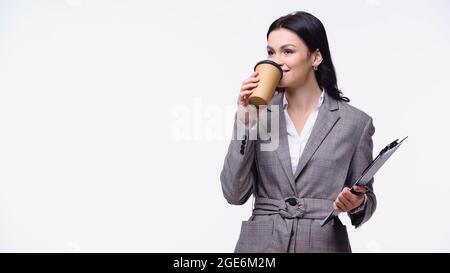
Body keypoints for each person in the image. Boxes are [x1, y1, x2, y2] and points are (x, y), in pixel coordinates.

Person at [220, 11, 376, 253]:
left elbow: (366, 201)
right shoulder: (257, 114)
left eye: (288, 51)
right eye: (271, 52)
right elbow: (233, 193)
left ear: (315, 57)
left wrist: (357, 202)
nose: (276, 61)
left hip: (322, 244)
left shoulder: (355, 123)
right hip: (260, 247)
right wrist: (245, 120)